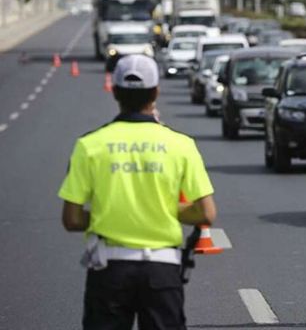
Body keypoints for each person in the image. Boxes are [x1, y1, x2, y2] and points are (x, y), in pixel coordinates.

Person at [59, 54, 217, 330]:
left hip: (109, 270)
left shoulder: (89, 145)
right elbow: (206, 213)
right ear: (155, 92)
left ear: (115, 92)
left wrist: (110, 215)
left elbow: (71, 219)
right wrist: (166, 211)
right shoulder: (181, 145)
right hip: (162, 270)